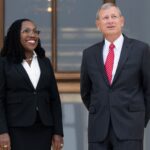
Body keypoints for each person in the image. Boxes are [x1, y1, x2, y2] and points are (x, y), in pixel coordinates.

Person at [80, 2, 150, 150]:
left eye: (114, 16)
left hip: (130, 127)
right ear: (98, 24)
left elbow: (148, 89)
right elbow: (86, 92)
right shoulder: (89, 54)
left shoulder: (141, 50)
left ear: (122, 21)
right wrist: (101, 109)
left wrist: (139, 118)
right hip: (98, 129)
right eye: (105, 18)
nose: (110, 21)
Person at [0, 18, 64, 150]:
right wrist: (2, 132)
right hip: (16, 129)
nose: (32, 35)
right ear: (15, 35)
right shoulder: (4, 63)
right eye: (26, 31)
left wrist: (58, 131)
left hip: (44, 128)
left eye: (35, 31)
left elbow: (54, 99)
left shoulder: (44, 62)